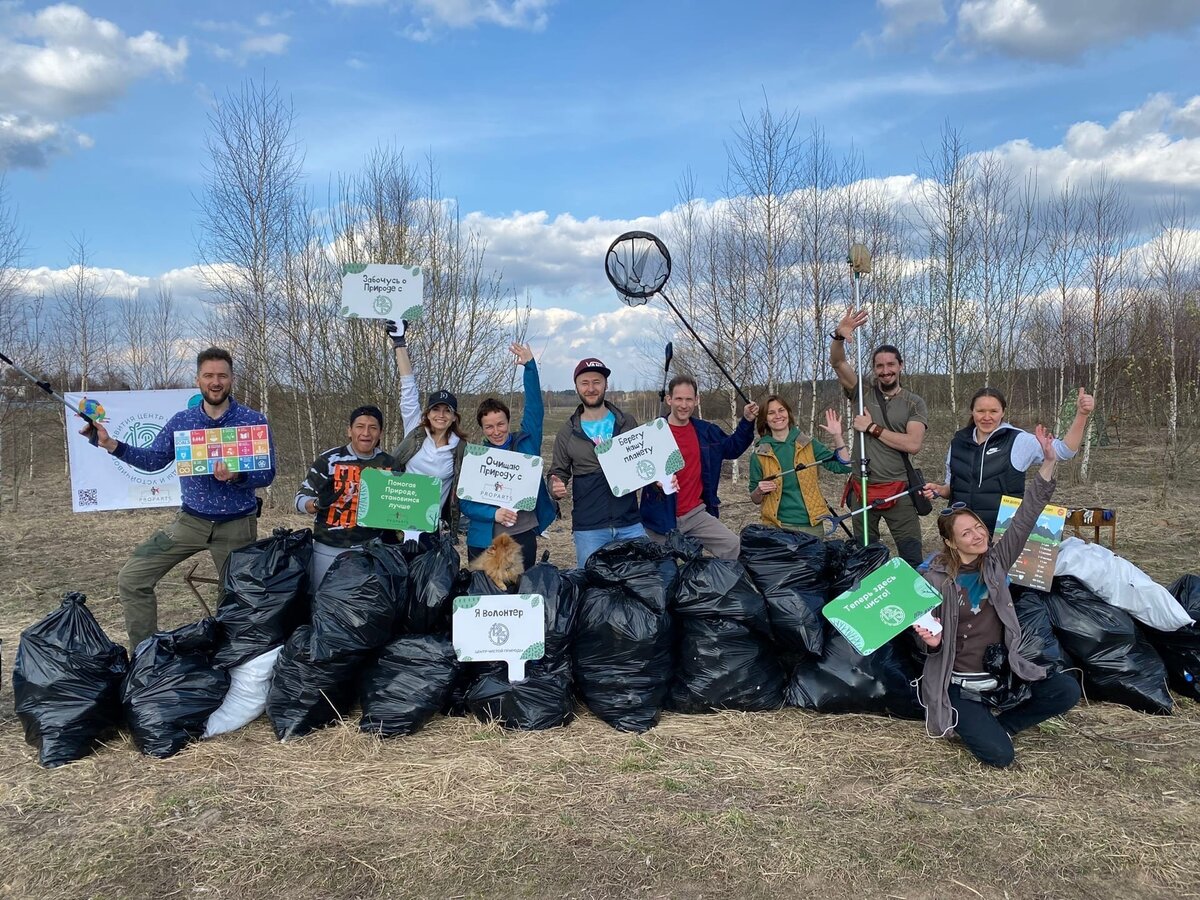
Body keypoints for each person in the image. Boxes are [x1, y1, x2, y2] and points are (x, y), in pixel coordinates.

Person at [912, 425, 1081, 768]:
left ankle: (1001, 724)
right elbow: (921, 642)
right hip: (957, 684)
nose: (977, 535)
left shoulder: (997, 562)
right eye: (966, 533)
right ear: (950, 542)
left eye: (978, 527)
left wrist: (1047, 463)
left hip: (1000, 676)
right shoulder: (932, 579)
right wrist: (929, 643)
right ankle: (977, 724)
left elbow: (1026, 517)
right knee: (1000, 757)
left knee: (1066, 691)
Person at [84, 347, 275, 649]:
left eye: (222, 376)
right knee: (133, 578)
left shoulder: (252, 420)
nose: (215, 382)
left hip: (238, 525)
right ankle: (146, 659)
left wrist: (237, 476)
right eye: (208, 375)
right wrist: (110, 443)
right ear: (198, 380)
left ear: (231, 379)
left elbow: (267, 474)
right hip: (190, 522)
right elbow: (153, 461)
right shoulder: (182, 421)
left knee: (237, 600)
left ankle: (231, 662)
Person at [830, 307, 928, 566]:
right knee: (866, 559)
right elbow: (838, 363)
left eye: (890, 365)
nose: (885, 371)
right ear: (873, 369)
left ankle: (914, 604)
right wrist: (839, 336)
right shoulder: (862, 392)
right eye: (879, 366)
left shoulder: (913, 403)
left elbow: (913, 444)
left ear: (900, 366)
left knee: (911, 556)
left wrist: (873, 428)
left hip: (899, 492)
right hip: (861, 491)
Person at [923, 386, 1095, 533]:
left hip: (1002, 535)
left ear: (1003, 412)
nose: (987, 417)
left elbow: (1065, 451)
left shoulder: (1017, 440)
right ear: (972, 412)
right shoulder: (958, 442)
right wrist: (939, 489)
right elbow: (952, 488)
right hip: (962, 535)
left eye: (993, 411)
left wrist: (1082, 414)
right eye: (981, 411)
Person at [459, 342, 557, 571]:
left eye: (500, 424)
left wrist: (530, 368)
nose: (496, 431)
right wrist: (494, 514)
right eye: (489, 427)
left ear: (508, 421)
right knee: (486, 598)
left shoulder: (525, 445)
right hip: (483, 540)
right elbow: (465, 504)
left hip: (521, 535)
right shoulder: (475, 458)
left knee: (519, 596)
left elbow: (535, 409)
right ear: (482, 429)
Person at [640, 375, 758, 560]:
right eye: (679, 399)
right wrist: (654, 482)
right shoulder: (652, 433)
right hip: (659, 519)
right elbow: (633, 474)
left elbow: (732, 448)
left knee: (734, 547)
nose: (684, 405)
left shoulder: (706, 432)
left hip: (695, 515)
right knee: (660, 574)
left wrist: (747, 420)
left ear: (696, 400)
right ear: (669, 399)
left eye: (689, 399)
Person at [549, 357, 646, 566]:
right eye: (585, 383)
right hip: (589, 527)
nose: (591, 388)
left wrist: (659, 479)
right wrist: (555, 485)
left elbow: (644, 461)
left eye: (596, 382)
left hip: (630, 523)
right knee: (592, 588)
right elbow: (558, 471)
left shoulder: (627, 422)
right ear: (576, 386)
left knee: (640, 582)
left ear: (606, 385)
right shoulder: (567, 432)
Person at [295, 405, 395, 590]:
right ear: (349, 431)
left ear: (380, 433)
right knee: (321, 604)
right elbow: (300, 500)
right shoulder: (330, 460)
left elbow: (402, 508)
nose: (366, 433)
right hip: (328, 549)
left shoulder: (390, 465)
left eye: (373, 427)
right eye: (360, 426)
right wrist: (317, 504)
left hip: (369, 552)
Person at [386, 319, 467, 541]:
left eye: (447, 411)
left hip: (431, 529)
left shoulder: (459, 449)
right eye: (435, 409)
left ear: (453, 417)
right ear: (427, 413)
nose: (440, 415)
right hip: (398, 522)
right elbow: (408, 389)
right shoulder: (415, 432)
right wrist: (399, 343)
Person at [748, 396, 851, 537]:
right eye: (771, 413)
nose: (778, 416)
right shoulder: (759, 454)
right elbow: (755, 498)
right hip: (777, 528)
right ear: (765, 419)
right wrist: (759, 490)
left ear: (788, 414)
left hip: (812, 526)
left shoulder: (808, 444)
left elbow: (843, 467)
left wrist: (837, 436)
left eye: (781, 410)